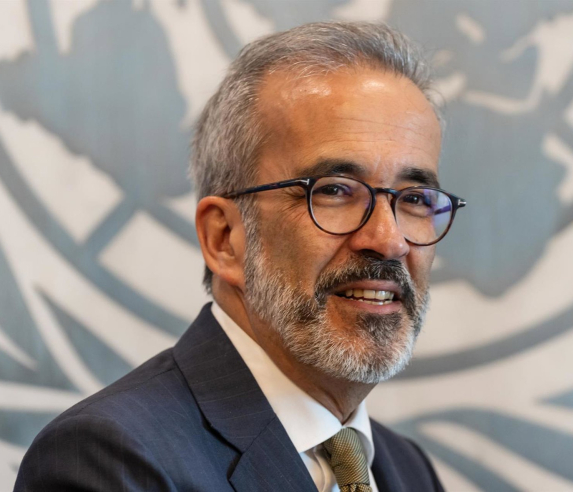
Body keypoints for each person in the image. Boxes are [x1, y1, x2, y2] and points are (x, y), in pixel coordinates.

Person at [14, 21, 465, 491]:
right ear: (224, 238)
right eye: (334, 190)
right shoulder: (108, 459)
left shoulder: (407, 469)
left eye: (416, 199)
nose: (389, 240)